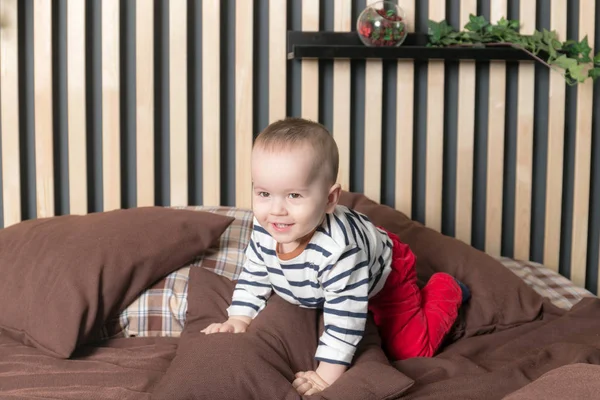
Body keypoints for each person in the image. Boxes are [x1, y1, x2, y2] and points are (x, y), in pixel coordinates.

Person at [201, 117, 470, 396]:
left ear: (330, 199)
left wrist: (326, 374)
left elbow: (345, 319)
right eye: (264, 193)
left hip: (385, 272)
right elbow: (255, 273)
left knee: (410, 348)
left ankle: (446, 289)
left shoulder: (339, 251)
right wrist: (239, 318)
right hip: (339, 268)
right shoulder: (265, 225)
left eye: (294, 195)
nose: (276, 209)